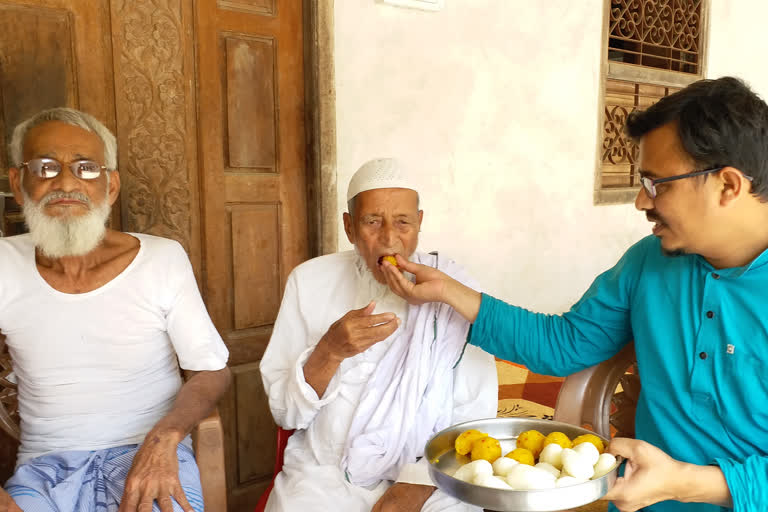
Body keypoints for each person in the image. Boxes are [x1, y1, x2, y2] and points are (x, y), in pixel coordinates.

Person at [380, 76, 768, 512]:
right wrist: (450, 293)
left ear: (728, 186)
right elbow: (564, 345)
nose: (641, 201)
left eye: (658, 184)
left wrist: (686, 483)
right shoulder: (649, 261)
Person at [0, 107, 231, 512]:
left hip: (149, 454)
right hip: (44, 471)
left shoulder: (161, 260)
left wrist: (165, 439)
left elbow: (210, 371)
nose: (66, 182)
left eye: (87, 168)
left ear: (110, 186)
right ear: (18, 184)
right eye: (46, 166)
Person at [260, 158, 498, 512]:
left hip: (434, 474)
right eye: (372, 222)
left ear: (419, 224)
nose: (389, 239)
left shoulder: (454, 289)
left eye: (403, 222)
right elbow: (286, 414)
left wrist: (416, 484)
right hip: (325, 473)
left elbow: (476, 414)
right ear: (349, 227)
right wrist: (329, 351)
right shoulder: (309, 281)